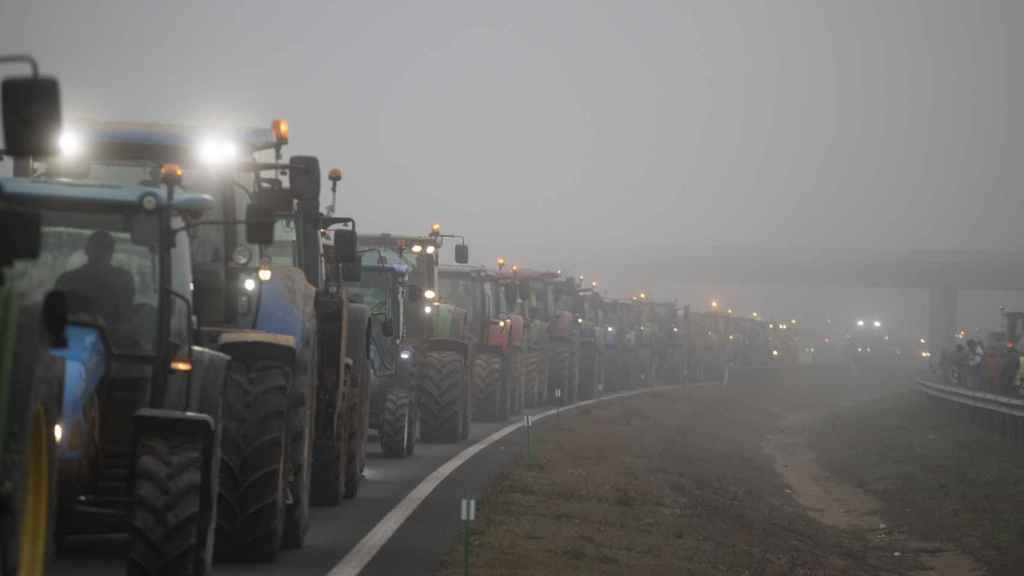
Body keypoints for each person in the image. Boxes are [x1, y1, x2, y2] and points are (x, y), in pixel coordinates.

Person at [56, 230, 135, 327]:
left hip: (112, 335)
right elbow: (57, 316)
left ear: (112, 252)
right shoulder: (67, 280)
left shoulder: (123, 279)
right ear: (87, 250)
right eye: (97, 246)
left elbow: (126, 317)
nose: (101, 252)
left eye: (106, 247)